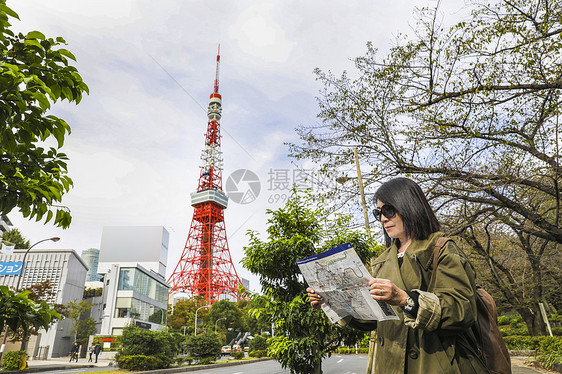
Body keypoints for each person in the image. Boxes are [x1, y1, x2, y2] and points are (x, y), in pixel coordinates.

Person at [307, 177, 489, 373]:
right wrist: (333, 301)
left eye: (388, 210)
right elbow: (375, 320)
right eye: (379, 213)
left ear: (409, 206)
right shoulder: (382, 260)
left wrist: (404, 298)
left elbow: (461, 310)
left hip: (435, 363)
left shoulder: (441, 249)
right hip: (388, 363)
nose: (384, 218)